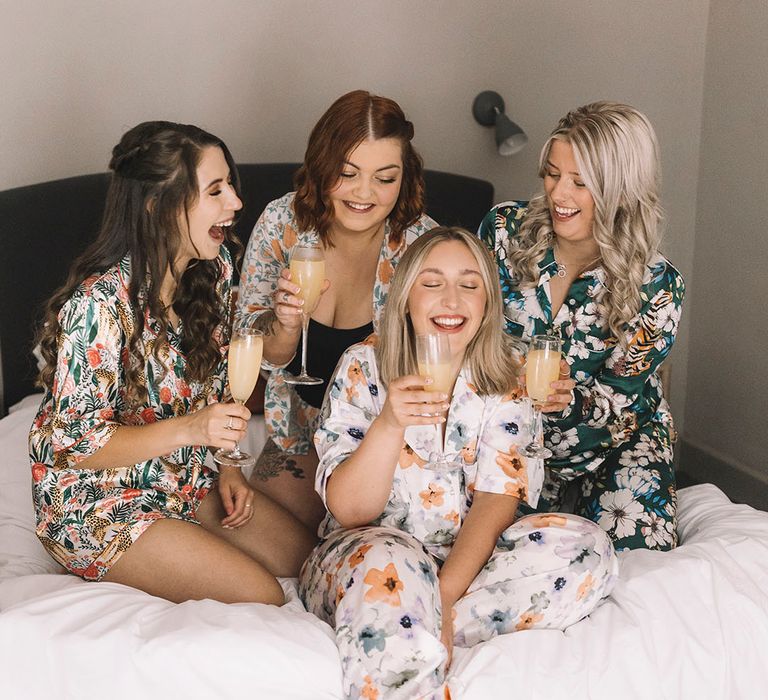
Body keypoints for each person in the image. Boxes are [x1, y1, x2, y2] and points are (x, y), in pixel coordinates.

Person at [299, 227, 618, 700]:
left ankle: (401, 627)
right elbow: (350, 511)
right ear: (406, 297)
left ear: (487, 303)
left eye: (469, 285)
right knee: (392, 563)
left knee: (586, 548)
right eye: (432, 283)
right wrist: (388, 425)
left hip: (466, 564)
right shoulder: (362, 367)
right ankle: (399, 627)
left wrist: (444, 599)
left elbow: (497, 499)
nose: (452, 299)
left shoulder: (508, 373)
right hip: (368, 554)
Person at [29, 121, 315, 605]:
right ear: (158, 205)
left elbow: (221, 381)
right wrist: (191, 430)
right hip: (97, 501)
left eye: (231, 186)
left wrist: (226, 466)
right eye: (215, 190)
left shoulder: (215, 269)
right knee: (261, 594)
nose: (236, 204)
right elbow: (75, 443)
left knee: (307, 562)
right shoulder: (100, 304)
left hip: (182, 477)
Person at [478, 101, 685, 552]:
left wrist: (570, 401)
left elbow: (619, 402)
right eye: (552, 174)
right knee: (495, 557)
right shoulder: (502, 232)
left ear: (622, 189)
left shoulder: (658, 286)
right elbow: (469, 330)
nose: (559, 195)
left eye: (581, 182)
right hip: (510, 440)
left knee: (639, 566)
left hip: (617, 444)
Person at [236, 90, 437, 530]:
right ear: (321, 167)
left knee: (358, 547)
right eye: (347, 174)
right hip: (299, 433)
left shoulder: (425, 248)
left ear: (405, 177)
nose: (364, 193)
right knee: (258, 542)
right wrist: (285, 324)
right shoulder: (281, 224)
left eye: (385, 178)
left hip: (384, 443)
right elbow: (254, 355)